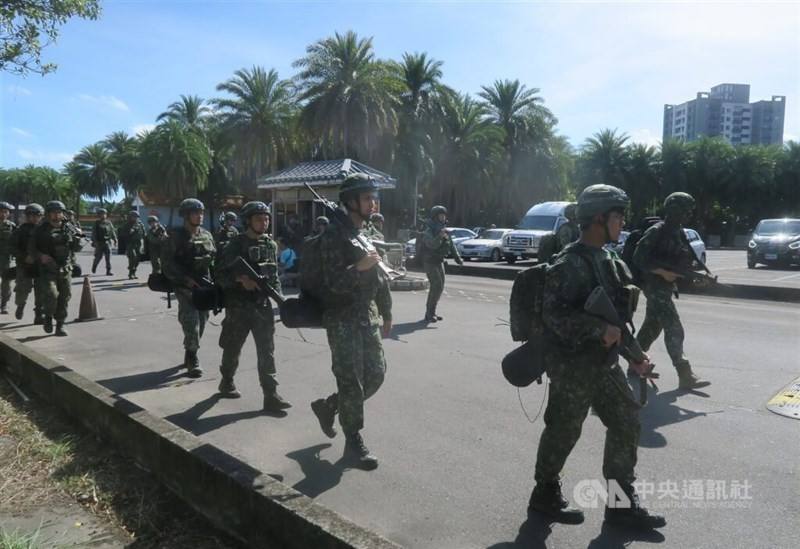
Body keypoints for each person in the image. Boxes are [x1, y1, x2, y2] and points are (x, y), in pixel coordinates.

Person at [529, 184, 665, 530]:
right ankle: (544, 493)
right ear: (599, 219)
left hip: (605, 365)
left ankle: (620, 506)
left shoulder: (611, 261)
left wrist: (636, 356)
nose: (622, 224)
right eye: (618, 217)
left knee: (626, 422)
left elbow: (618, 322)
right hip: (572, 367)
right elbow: (553, 317)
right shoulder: (567, 264)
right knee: (563, 431)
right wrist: (596, 330)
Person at [309, 173, 392, 470]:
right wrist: (359, 267)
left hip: (367, 317)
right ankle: (353, 441)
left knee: (377, 374)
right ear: (351, 201)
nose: (373, 202)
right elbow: (332, 283)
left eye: (374, 197)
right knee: (351, 382)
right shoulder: (333, 234)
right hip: (342, 318)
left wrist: (386, 311)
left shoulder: (367, 232)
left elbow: (380, 278)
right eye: (368, 197)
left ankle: (329, 405)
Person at [215, 201, 291, 412]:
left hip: (262, 306)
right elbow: (220, 274)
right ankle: (227, 379)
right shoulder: (234, 245)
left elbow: (274, 276)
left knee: (267, 351)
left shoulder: (270, 245)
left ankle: (271, 395)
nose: (264, 222)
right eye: (259, 218)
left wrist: (279, 298)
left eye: (266, 218)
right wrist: (241, 281)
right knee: (233, 347)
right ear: (248, 221)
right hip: (238, 306)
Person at [633, 192, 708, 390]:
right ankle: (685, 374)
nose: (688, 216)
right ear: (674, 210)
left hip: (665, 287)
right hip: (654, 286)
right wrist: (663, 272)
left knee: (652, 326)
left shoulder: (679, 233)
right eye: (685, 211)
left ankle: (635, 361)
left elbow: (682, 262)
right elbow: (638, 258)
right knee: (674, 327)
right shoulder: (657, 231)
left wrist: (691, 277)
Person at [161, 198, 215, 378]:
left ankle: (189, 349)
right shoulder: (175, 236)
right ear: (185, 215)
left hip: (205, 286)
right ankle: (193, 357)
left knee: (203, 319)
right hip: (184, 287)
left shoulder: (207, 235)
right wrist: (185, 280)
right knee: (192, 322)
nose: (200, 216)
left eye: (201, 213)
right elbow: (167, 264)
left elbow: (212, 261)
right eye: (195, 213)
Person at [29, 201, 81, 336]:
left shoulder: (69, 227)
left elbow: (76, 248)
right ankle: (48, 317)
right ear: (48, 214)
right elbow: (31, 248)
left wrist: (78, 237)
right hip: (48, 269)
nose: (57, 215)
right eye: (54, 212)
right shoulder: (40, 229)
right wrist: (41, 256)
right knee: (52, 295)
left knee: (64, 297)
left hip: (65, 268)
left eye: (59, 212)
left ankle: (60, 325)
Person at [421, 205, 462, 322]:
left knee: (440, 287)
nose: (443, 218)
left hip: (439, 261)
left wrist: (457, 258)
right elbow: (432, 245)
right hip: (430, 262)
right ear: (435, 217)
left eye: (444, 215)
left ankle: (432, 312)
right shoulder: (429, 231)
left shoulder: (443, 229)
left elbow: (451, 244)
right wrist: (440, 236)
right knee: (436, 286)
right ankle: (429, 314)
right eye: (440, 216)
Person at [11, 204, 44, 323]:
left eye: (37, 215)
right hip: (24, 265)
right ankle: (21, 306)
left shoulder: (45, 230)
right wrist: (24, 257)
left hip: (40, 265)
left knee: (41, 291)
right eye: (31, 215)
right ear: (27, 216)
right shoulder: (20, 230)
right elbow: (13, 247)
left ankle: (39, 314)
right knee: (22, 289)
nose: (34, 218)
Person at [0, 202, 17, 314]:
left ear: (8, 214)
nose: (3, 213)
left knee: (6, 282)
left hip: (5, 259)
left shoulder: (12, 226)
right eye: (1, 211)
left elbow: (18, 241)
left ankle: (4, 305)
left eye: (5, 212)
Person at [91, 208, 117, 275]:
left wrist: (115, 239)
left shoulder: (108, 223)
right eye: (101, 214)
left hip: (107, 242)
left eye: (104, 214)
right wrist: (95, 242)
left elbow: (112, 231)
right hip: (99, 243)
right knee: (98, 257)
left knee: (108, 257)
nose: (103, 215)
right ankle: (94, 265)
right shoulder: (96, 223)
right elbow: (94, 233)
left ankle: (108, 270)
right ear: (99, 215)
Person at [122, 210, 146, 279]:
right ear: (130, 217)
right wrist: (129, 232)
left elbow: (144, 234)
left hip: (138, 243)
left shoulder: (140, 224)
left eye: (136, 217)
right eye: (134, 217)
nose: (135, 218)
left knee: (137, 259)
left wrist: (145, 242)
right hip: (130, 243)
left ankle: (133, 271)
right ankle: (130, 273)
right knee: (133, 257)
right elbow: (123, 234)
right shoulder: (127, 225)